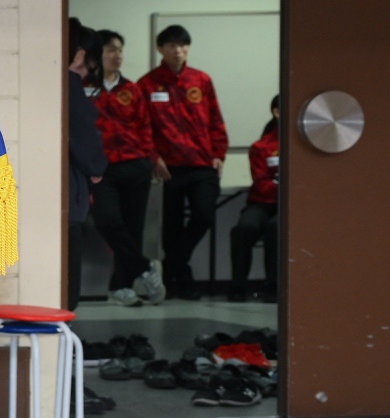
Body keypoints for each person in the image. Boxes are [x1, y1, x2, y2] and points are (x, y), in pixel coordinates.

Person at [142, 23, 227, 300]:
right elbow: (143, 127)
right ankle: (182, 281)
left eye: (182, 45)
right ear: (160, 49)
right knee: (171, 227)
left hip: (202, 163)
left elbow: (215, 119)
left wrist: (219, 153)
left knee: (204, 215)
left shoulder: (201, 80)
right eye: (171, 45)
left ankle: (172, 266)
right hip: (169, 168)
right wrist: (154, 156)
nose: (177, 50)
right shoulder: (147, 84)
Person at [89, 30, 158, 305]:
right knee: (107, 221)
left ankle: (121, 287)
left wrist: (148, 160)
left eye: (119, 50)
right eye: (110, 50)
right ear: (98, 55)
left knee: (133, 228)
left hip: (135, 165)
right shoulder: (83, 87)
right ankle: (144, 267)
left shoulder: (132, 89)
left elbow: (145, 127)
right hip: (101, 169)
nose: (117, 55)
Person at [67, 20, 108, 307]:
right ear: (81, 55)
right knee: (68, 281)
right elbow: (84, 136)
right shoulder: (69, 85)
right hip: (70, 196)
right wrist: (97, 167)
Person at [229, 94, 281, 301]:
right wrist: (281, 186)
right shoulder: (261, 147)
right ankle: (238, 286)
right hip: (262, 203)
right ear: (276, 112)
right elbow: (261, 183)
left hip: (291, 206)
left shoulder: (302, 145)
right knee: (245, 228)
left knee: (277, 228)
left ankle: (273, 286)